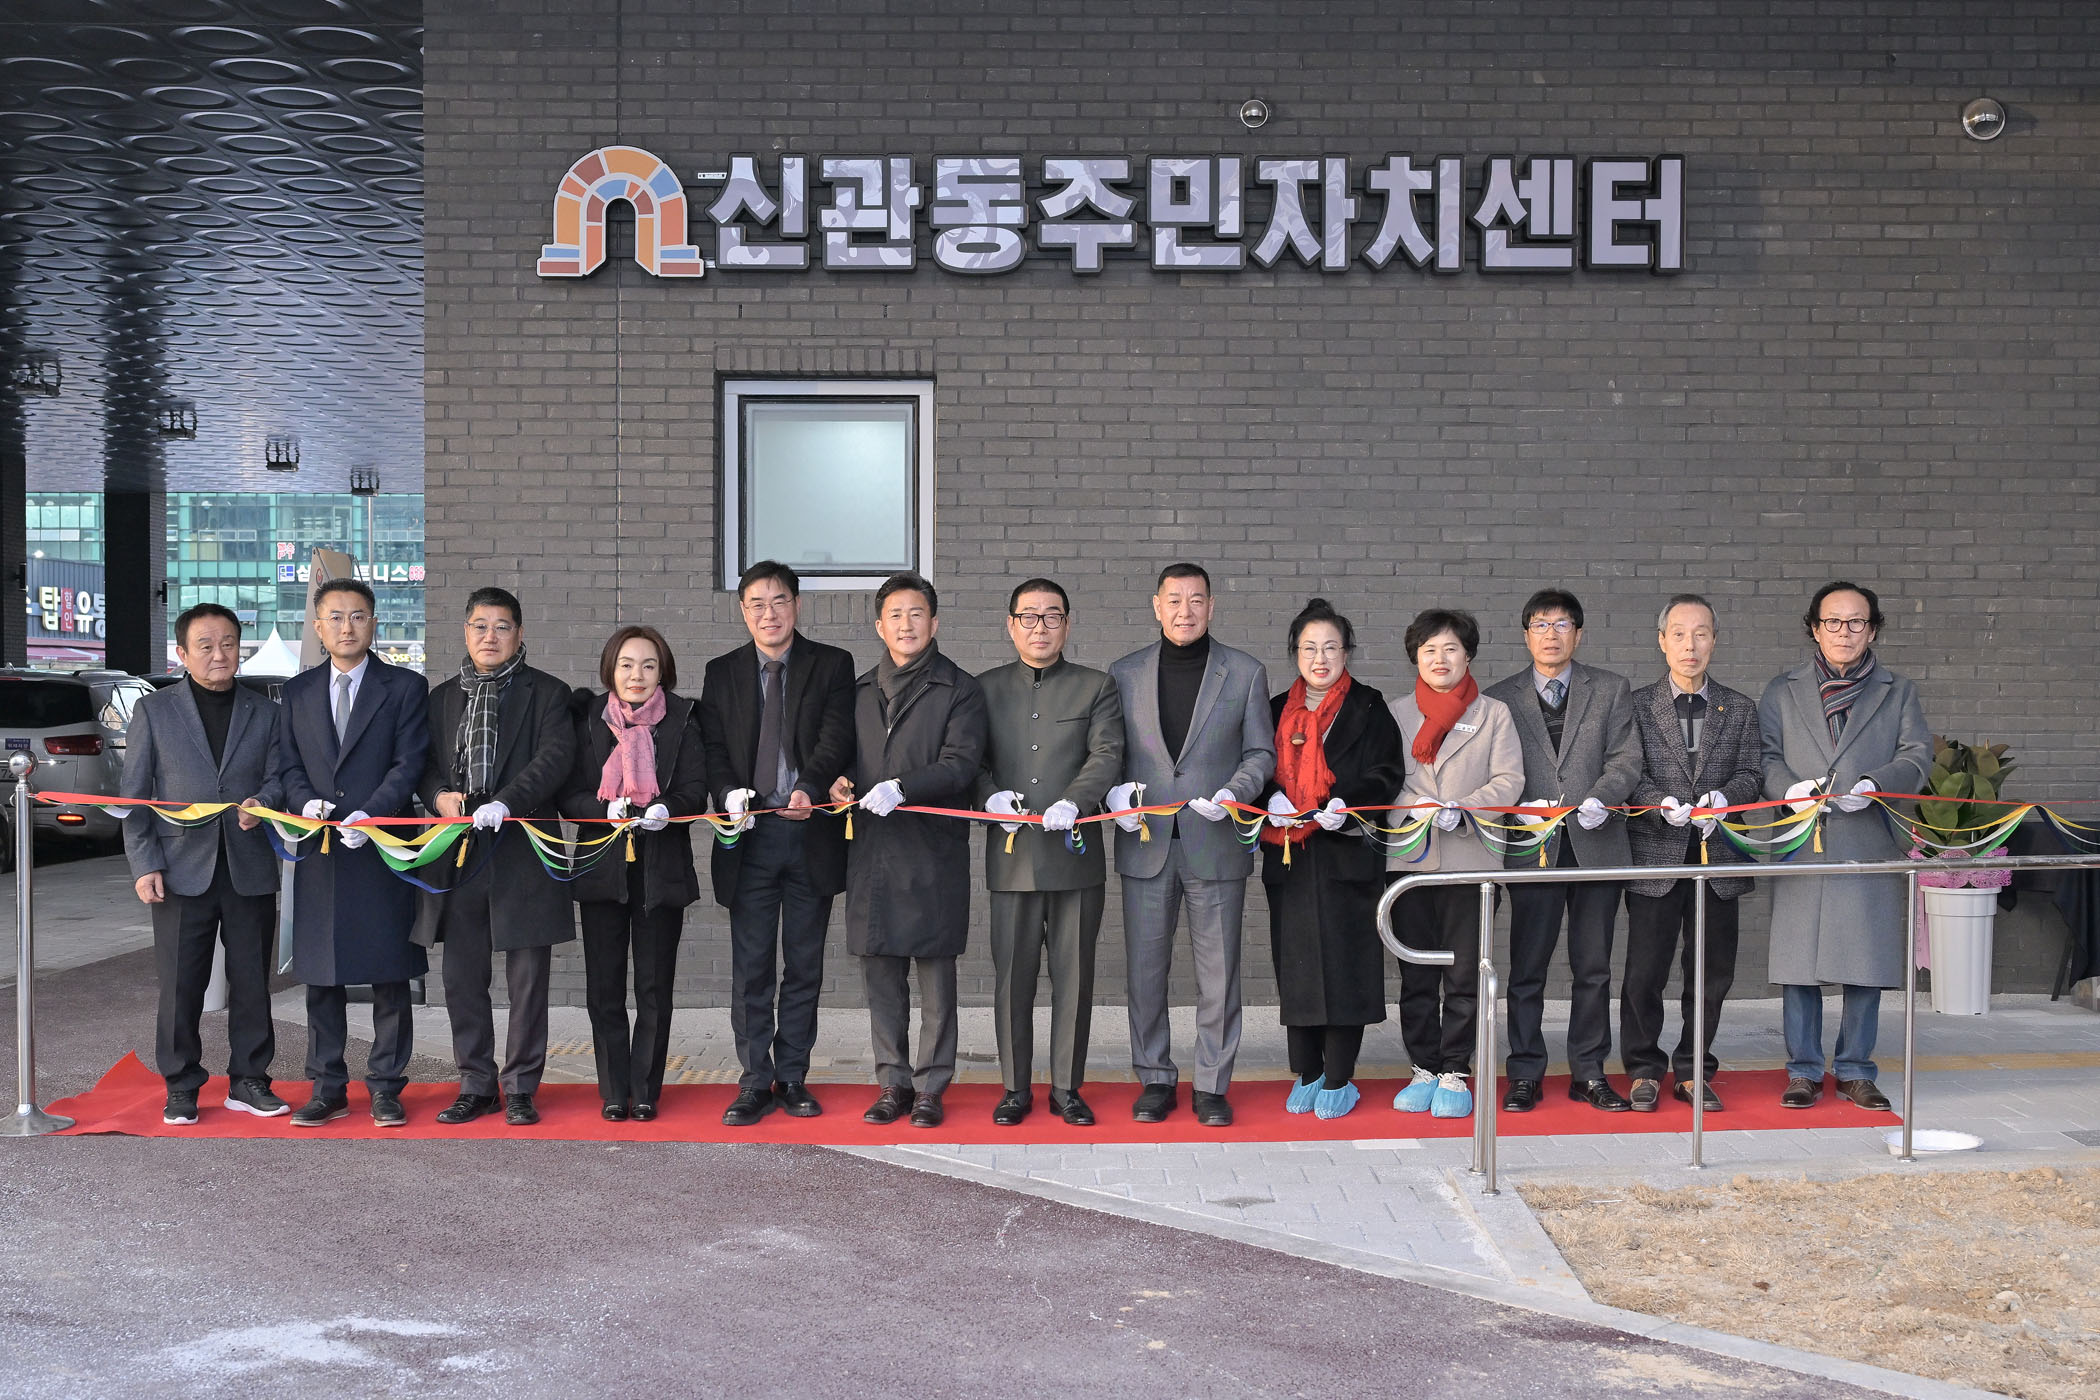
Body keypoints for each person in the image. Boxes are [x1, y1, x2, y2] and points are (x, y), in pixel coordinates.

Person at [1106, 563, 1275, 1127]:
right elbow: (1109, 751)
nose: (1185, 610)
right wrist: (1114, 795)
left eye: (1196, 600)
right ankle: (1154, 1078)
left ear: (1211, 606)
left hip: (1215, 838)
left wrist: (1236, 792)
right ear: (1156, 606)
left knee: (1219, 975)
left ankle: (1211, 1084)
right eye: (1174, 600)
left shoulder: (1245, 672)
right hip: (1146, 843)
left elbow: (1261, 753)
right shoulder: (1124, 672)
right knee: (1145, 972)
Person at [1759, 581, 1929, 1111]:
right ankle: (1803, 1070)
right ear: (1814, 628)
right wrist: (1789, 790)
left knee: (1865, 960)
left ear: (1872, 630)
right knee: (1799, 963)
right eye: (1832, 621)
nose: (1844, 631)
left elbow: (1917, 755)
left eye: (1856, 622)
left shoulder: (1898, 690)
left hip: (1867, 836)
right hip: (1803, 839)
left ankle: (1856, 1069)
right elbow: (1764, 756)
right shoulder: (1782, 690)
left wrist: (1877, 784)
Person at [698, 560, 855, 1127]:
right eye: (758, 604)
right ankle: (753, 1080)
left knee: (804, 965)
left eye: (780, 601)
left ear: (797, 605)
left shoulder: (832, 664)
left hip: (810, 834)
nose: (770, 613)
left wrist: (810, 786)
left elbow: (837, 736)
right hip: (751, 838)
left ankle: (792, 1076)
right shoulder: (721, 672)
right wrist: (726, 794)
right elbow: (713, 747)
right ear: (743, 611)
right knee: (753, 967)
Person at [414, 586, 578, 1127]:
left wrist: (506, 802)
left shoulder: (548, 693)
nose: (490, 636)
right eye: (480, 626)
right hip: (459, 849)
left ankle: (522, 1086)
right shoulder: (441, 697)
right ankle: (476, 1084)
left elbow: (554, 759)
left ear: (519, 634)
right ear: (465, 632)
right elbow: (424, 764)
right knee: (462, 976)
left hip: (524, 845)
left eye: (502, 626)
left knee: (528, 979)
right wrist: (439, 797)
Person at [829, 571, 988, 1129]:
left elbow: (961, 764)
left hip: (931, 851)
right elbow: (842, 756)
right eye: (895, 615)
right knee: (881, 975)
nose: (906, 624)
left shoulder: (960, 689)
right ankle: (892, 1082)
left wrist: (904, 787)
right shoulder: (859, 691)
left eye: (916, 613)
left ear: (934, 622)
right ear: (879, 626)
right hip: (873, 852)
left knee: (936, 978)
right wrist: (838, 782)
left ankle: (931, 1086)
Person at [276, 578, 432, 1128]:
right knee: (323, 974)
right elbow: (287, 764)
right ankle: (328, 1086)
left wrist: (373, 813)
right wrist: (304, 802)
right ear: (318, 627)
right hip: (322, 851)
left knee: (390, 971)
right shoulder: (296, 692)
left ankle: (386, 1086)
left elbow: (409, 763)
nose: (347, 627)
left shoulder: (405, 687)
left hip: (382, 846)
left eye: (358, 616)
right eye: (336, 617)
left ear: (374, 623)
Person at [121, 603, 284, 1127]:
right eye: (206, 646)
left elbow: (279, 778)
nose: (219, 655)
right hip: (178, 866)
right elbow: (134, 797)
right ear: (182, 653)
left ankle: (249, 1080)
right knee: (180, 983)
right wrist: (144, 862)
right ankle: (181, 1084)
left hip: (247, 863)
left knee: (252, 980)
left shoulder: (266, 710)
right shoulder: (154, 711)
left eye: (229, 644)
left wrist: (264, 802)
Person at [1484, 588, 1643, 1114]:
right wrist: (1517, 809)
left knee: (1593, 967)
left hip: (1597, 843)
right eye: (1540, 624)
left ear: (1578, 633)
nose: (1550, 635)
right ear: (1525, 634)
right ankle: (1524, 1071)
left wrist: (1602, 797)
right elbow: (1494, 769)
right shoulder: (1499, 697)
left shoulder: (1611, 688)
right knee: (1527, 966)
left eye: (1561, 625)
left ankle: (1589, 1072)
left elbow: (1626, 759)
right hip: (1532, 848)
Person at [977, 577, 1125, 1127]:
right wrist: (987, 795)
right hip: (1011, 858)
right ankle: (1015, 1088)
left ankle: (1066, 1087)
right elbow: (970, 759)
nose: (1040, 627)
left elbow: (1106, 753)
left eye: (1052, 616)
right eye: (1029, 616)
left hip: (1074, 858)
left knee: (1074, 980)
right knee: (1011, 981)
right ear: (1011, 624)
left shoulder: (1095, 685)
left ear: (1067, 623)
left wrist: (1076, 800)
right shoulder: (984, 689)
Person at [1256, 598, 1401, 1121]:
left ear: (1347, 652)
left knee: (1345, 966)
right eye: (1309, 648)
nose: (1320, 658)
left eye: (1331, 648)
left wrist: (1348, 804)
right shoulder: (1275, 708)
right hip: (1290, 855)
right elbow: (1256, 767)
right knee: (1297, 966)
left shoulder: (1369, 706)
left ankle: (1340, 1076)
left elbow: (1387, 773)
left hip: (1346, 855)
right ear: (1295, 653)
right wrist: (1269, 797)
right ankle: (1307, 1071)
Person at [1620, 595, 1763, 1113]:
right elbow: (1627, 774)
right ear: (1662, 642)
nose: (1690, 645)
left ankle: (1693, 1068)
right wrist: (1659, 804)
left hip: (1717, 857)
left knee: (1710, 973)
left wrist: (1726, 799)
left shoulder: (1740, 708)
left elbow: (1752, 772)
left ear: (1714, 641)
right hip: (1655, 855)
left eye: (1701, 633)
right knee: (1645, 972)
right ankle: (1642, 1068)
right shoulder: (1635, 706)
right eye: (1679, 634)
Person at [560, 626, 710, 1121]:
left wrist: (668, 808)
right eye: (626, 664)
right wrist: (602, 810)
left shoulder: (683, 719)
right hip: (601, 866)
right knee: (604, 987)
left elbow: (695, 789)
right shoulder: (588, 719)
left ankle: (645, 1090)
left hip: (660, 868)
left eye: (648, 665)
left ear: (662, 671)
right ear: (611, 669)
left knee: (653, 988)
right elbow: (569, 794)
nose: (637, 675)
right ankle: (612, 1089)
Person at [1386, 608, 1523, 1119]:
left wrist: (1464, 807)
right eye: (1429, 650)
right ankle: (1423, 1066)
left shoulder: (1494, 713)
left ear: (1468, 656)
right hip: (1411, 859)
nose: (1440, 658)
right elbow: (1384, 779)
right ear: (1415, 658)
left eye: (1450, 649)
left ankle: (1454, 1069)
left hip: (1472, 855)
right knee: (1417, 972)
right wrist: (1414, 806)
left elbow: (1509, 779)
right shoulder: (1396, 713)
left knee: (1465, 971)